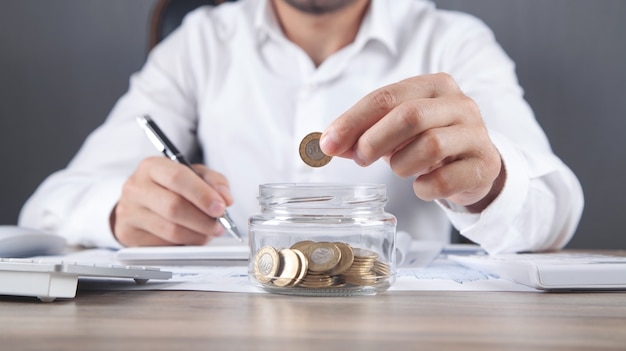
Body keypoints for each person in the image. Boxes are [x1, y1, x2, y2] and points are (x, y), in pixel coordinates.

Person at [18, 0, 584, 254]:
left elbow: (555, 208)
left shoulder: (454, 41)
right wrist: (122, 212)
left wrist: (491, 182)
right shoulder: (198, 42)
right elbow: (50, 204)